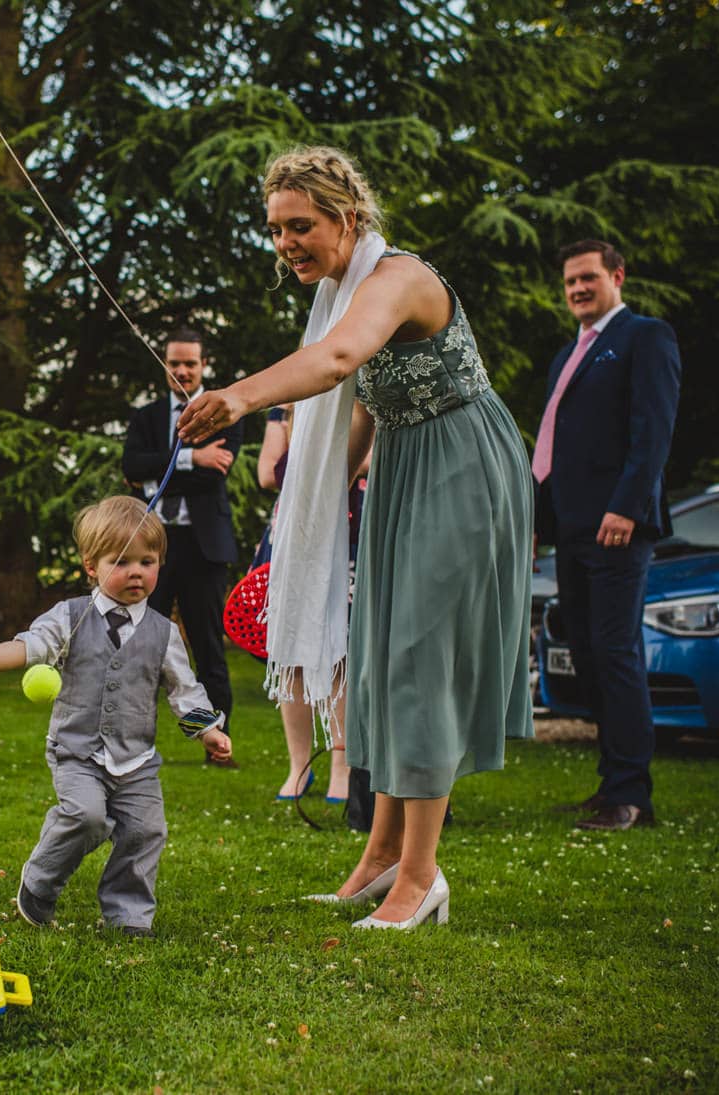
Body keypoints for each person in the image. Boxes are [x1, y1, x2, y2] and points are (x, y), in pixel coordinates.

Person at [178, 146, 533, 930]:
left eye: (300, 226)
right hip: (405, 467)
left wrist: (236, 395)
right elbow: (367, 405)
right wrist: (314, 503)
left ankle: (420, 877)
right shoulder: (341, 292)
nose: (286, 245)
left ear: (350, 216)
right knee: (377, 654)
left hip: (463, 464)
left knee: (418, 659)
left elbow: (338, 364)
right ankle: (377, 857)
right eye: (274, 231)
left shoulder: (399, 277)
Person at [0, 495, 231, 937]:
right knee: (87, 817)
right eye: (121, 561)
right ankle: (39, 882)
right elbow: (28, 647)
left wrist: (206, 731)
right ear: (91, 566)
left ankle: (128, 915)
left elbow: (183, 689)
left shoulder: (163, 631)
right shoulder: (69, 618)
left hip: (136, 760)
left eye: (147, 561)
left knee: (144, 832)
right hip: (77, 752)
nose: (136, 571)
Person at [533, 240, 681, 831]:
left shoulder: (646, 337)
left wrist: (626, 507)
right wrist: (544, 526)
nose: (577, 290)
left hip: (618, 527)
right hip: (571, 530)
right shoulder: (567, 354)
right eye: (570, 281)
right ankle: (612, 782)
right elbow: (557, 445)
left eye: (589, 278)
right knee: (591, 657)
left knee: (617, 655)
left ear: (617, 276)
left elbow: (654, 432)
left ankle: (632, 797)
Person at [122, 328, 242, 766]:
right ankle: (133, 744)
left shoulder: (225, 410)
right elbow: (129, 465)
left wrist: (156, 471)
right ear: (165, 364)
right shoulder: (147, 416)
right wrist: (192, 457)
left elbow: (217, 473)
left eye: (190, 363)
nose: (182, 371)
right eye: (174, 363)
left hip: (204, 547)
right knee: (142, 646)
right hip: (153, 546)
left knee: (208, 649)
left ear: (203, 365)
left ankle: (217, 744)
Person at [257, 404, 353, 805]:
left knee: (340, 654)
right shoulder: (284, 411)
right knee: (289, 651)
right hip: (294, 531)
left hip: (350, 523)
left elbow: (362, 463)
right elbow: (268, 472)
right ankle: (299, 765)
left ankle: (342, 765)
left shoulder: (363, 397)